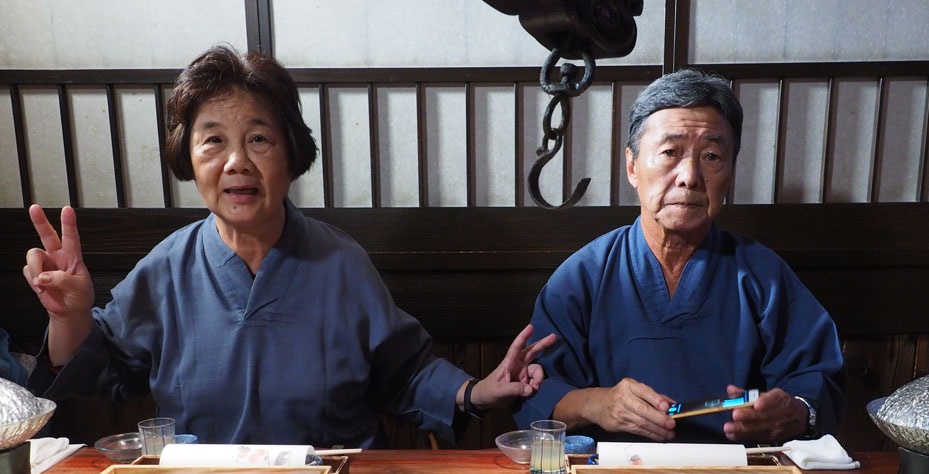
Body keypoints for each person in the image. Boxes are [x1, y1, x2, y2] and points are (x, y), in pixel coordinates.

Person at [23, 44, 554, 449]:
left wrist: (477, 392)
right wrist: (70, 317)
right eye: (213, 140)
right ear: (187, 156)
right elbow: (105, 370)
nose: (236, 162)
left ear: (290, 153)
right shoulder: (166, 268)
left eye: (258, 138)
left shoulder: (340, 263)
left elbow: (406, 375)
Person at [515, 68, 844, 445]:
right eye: (670, 152)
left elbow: (819, 382)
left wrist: (795, 413)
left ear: (730, 171)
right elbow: (532, 388)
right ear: (632, 166)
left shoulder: (763, 277)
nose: (689, 176)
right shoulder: (582, 277)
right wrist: (596, 404)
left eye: (711, 156)